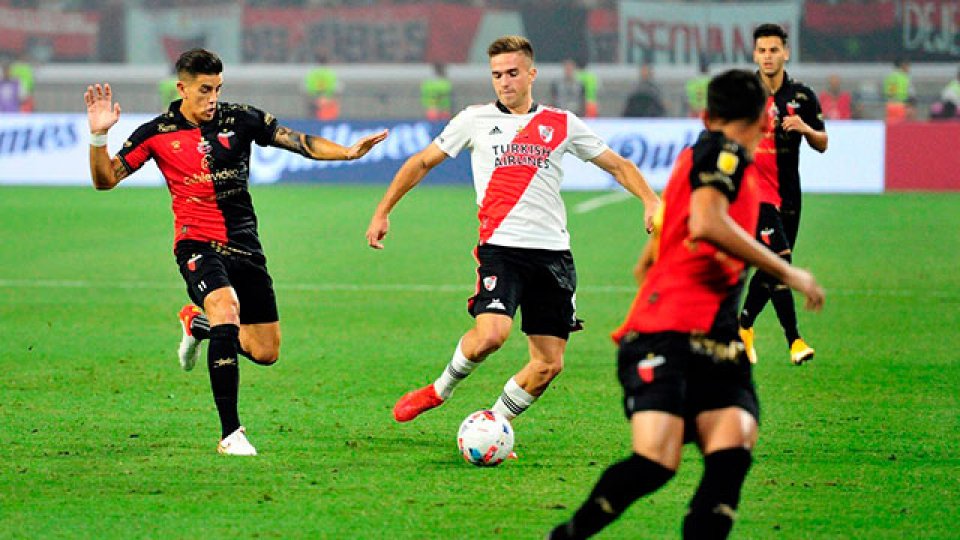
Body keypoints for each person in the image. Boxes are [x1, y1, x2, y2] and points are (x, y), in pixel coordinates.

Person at [548, 69, 825, 540]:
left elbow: (647, 261)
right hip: (670, 336)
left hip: (713, 337)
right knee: (658, 460)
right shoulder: (722, 152)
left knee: (732, 444)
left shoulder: (696, 160)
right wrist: (787, 271)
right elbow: (706, 223)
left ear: (705, 115)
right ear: (765, 119)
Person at [84, 48, 387, 456]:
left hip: (245, 246)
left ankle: (198, 325)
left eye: (218, 89)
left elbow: (298, 141)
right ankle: (230, 433)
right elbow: (105, 179)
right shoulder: (156, 133)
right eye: (204, 90)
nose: (213, 98)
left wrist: (347, 152)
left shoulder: (240, 118)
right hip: (196, 244)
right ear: (182, 88)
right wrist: (99, 136)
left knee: (265, 351)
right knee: (226, 308)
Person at [365, 35, 660, 432]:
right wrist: (383, 210)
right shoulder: (474, 120)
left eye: (512, 73)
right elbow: (421, 163)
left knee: (548, 364)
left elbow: (618, 165)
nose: (504, 82)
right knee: (491, 335)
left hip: (554, 255)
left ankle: (493, 425)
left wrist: (650, 200)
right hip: (502, 250)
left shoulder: (561, 123)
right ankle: (439, 390)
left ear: (531, 74)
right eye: (497, 75)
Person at [739, 23, 827, 366]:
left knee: (775, 265)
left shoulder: (802, 96)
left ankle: (744, 324)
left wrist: (805, 128)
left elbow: (823, 143)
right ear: (754, 55)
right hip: (755, 193)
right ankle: (794, 339)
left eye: (773, 50)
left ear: (785, 53)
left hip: (789, 194)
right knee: (780, 260)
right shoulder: (745, 93)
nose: (767, 56)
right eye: (762, 50)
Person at [304, 54, 340, 120]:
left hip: (314, 101)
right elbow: (337, 90)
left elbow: (306, 89)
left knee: (312, 122)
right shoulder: (331, 74)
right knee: (328, 121)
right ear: (327, 63)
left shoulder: (312, 74)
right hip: (328, 102)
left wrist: (314, 99)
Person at [883, 59, 914, 123]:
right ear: (903, 66)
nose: (909, 69)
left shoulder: (904, 76)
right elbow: (891, 92)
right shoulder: (895, 76)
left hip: (901, 104)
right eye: (908, 66)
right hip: (896, 105)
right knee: (896, 123)